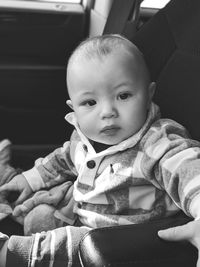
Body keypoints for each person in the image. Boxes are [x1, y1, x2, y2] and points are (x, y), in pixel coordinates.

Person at [0, 34, 200, 266]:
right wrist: (29, 180)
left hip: (118, 240)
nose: (107, 112)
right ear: (73, 108)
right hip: (79, 213)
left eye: (123, 96)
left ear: (149, 95)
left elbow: (189, 172)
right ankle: (11, 179)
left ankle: (9, 253)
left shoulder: (157, 144)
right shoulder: (83, 135)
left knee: (59, 244)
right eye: (90, 103)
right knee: (37, 215)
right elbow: (64, 159)